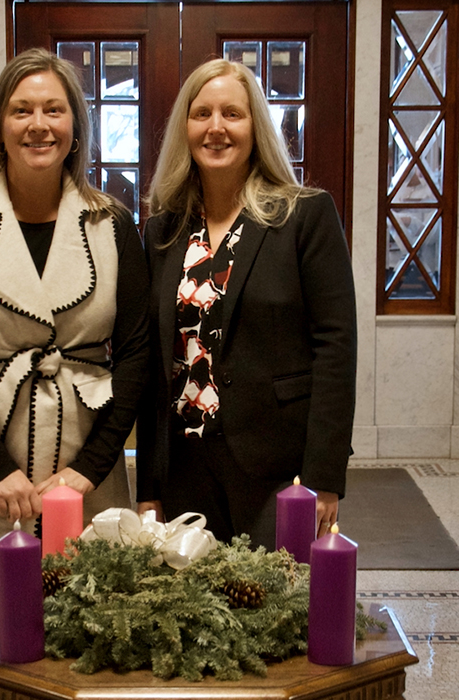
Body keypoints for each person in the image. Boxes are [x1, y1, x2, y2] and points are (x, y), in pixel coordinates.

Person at [0, 48, 149, 608]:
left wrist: (88, 471)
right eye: (21, 111)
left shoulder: (112, 222)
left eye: (54, 110)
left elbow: (137, 355)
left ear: (75, 127)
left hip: (86, 467)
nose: (38, 125)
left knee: (87, 637)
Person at [135, 59, 356, 550]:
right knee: (193, 616)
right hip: (185, 469)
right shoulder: (162, 231)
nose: (216, 127)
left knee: (275, 617)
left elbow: (336, 349)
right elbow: (154, 367)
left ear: (256, 125)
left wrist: (324, 475)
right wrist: (147, 486)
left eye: (232, 114)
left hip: (278, 468)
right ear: (185, 128)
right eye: (202, 114)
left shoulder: (304, 216)